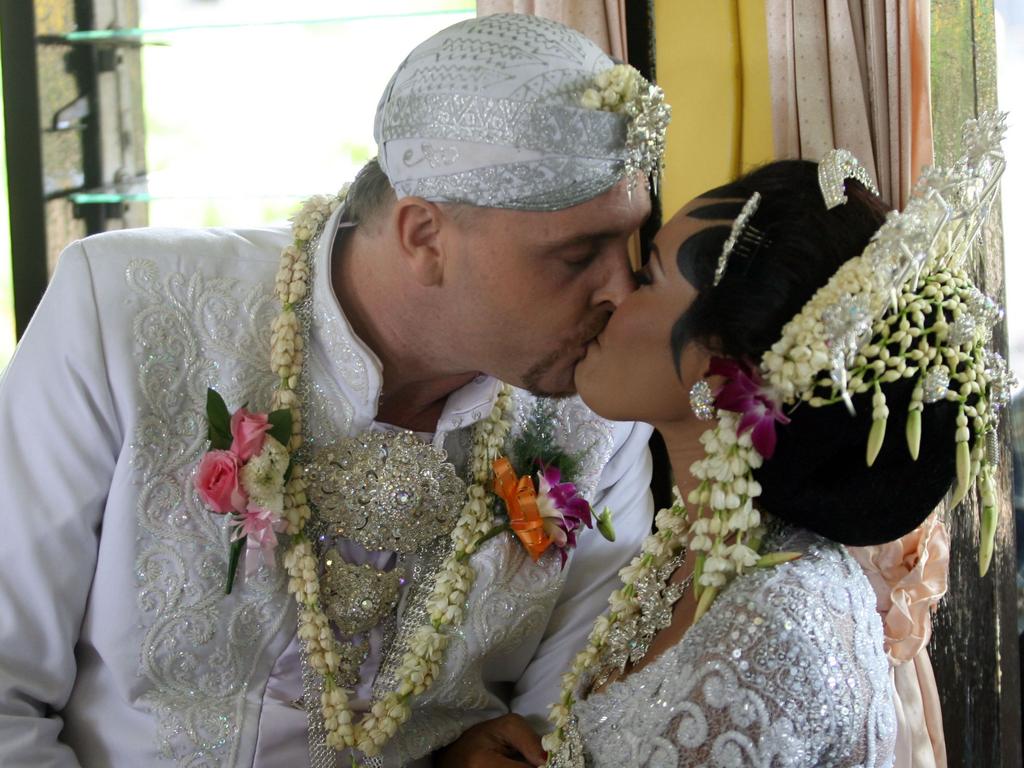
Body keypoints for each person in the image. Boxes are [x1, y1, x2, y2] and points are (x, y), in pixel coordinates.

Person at [0, 13, 670, 768]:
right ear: (424, 236)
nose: (621, 289)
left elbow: (564, 724)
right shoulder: (127, 312)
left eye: (633, 239)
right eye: (579, 254)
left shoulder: (601, 415)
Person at [543, 115, 1012, 766]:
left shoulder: (769, 638)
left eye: (648, 276)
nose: (613, 291)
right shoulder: (700, 547)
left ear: (721, 366)